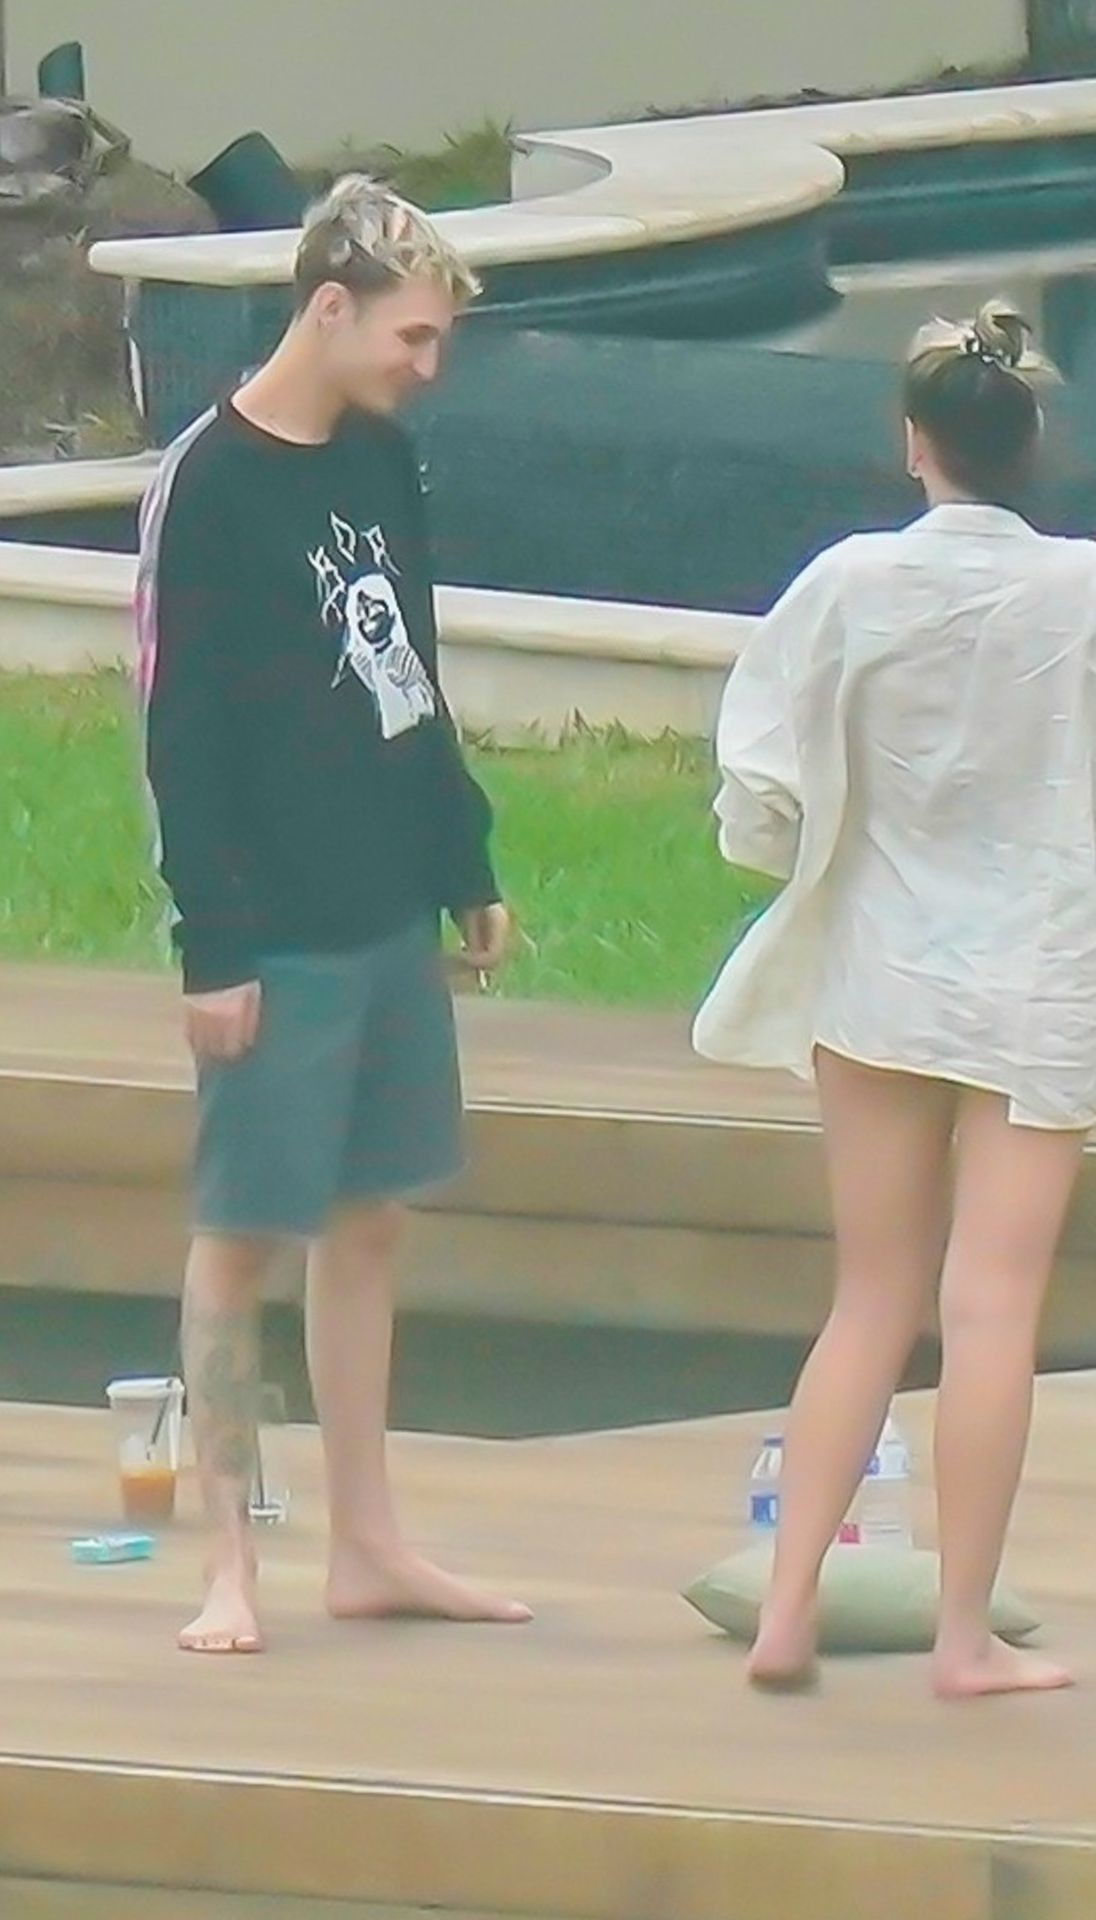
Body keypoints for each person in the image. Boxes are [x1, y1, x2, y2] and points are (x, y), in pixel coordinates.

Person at [693, 300, 1096, 1699]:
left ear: (913, 440)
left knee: (868, 1298)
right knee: (991, 1309)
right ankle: (963, 1636)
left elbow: (757, 782)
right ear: (1033, 440)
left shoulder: (846, 583)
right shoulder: (1093, 592)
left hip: (881, 972)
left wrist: (796, 854)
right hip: (1044, 980)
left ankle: (788, 1608)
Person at [137, 176, 532, 1653]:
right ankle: (229, 1562)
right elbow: (179, 730)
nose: (426, 368)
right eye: (411, 338)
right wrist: (215, 945)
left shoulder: (380, 458)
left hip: (385, 908)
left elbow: (407, 670)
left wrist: (464, 859)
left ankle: (369, 1544)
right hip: (275, 925)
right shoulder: (210, 482)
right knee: (241, 1238)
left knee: (370, 1224)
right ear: (328, 307)